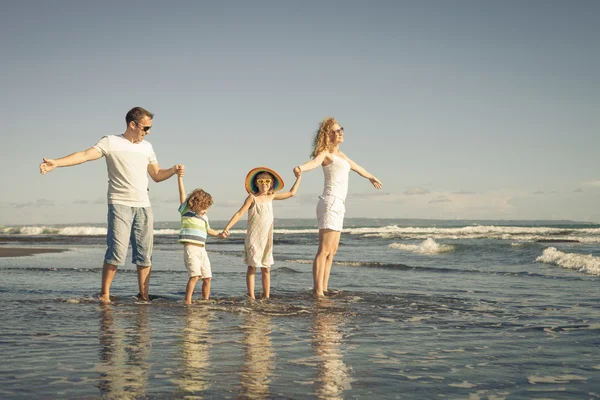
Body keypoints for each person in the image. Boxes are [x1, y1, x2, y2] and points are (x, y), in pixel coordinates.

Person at [39, 107, 183, 303]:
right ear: (133, 124)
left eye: (150, 128)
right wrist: (56, 162)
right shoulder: (110, 141)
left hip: (144, 206)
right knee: (116, 251)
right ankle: (105, 295)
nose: (148, 132)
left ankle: (144, 295)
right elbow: (84, 155)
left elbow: (156, 175)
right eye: (145, 128)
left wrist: (173, 170)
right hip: (120, 204)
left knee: (144, 253)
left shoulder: (147, 147)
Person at [293, 117, 382, 297]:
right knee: (324, 250)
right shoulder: (326, 154)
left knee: (332, 252)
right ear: (328, 134)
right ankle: (318, 292)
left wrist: (371, 177)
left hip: (339, 204)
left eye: (341, 129)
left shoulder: (342, 155)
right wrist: (300, 168)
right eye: (336, 130)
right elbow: (314, 163)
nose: (340, 132)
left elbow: (357, 167)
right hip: (329, 202)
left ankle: (324, 288)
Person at [222, 167, 302, 299]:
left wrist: (298, 178)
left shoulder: (272, 196)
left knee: (266, 268)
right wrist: (227, 228)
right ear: (256, 184)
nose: (264, 183)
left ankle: (266, 296)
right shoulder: (252, 198)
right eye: (261, 181)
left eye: (267, 181)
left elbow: (291, 193)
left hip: (266, 238)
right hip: (253, 237)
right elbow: (239, 213)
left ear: (271, 183)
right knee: (252, 267)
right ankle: (252, 297)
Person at [177, 169, 226, 304]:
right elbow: (182, 193)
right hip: (191, 248)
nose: (206, 210)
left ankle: (205, 299)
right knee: (194, 276)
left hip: (202, 249)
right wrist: (179, 177)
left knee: (207, 277)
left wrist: (220, 235)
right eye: (204, 207)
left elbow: (208, 230)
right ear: (196, 204)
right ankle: (188, 301)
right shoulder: (185, 211)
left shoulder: (205, 218)